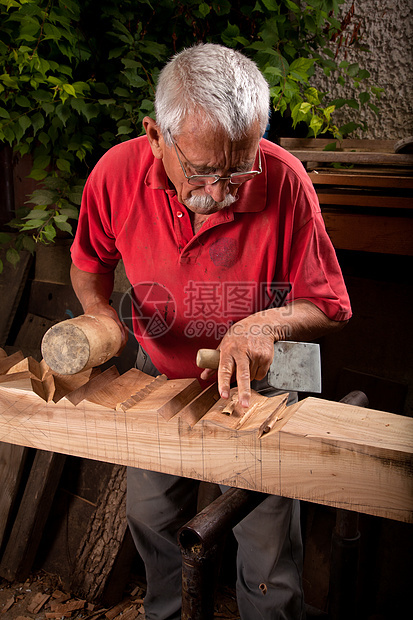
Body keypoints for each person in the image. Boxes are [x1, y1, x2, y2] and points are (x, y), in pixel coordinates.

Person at [70, 43, 351, 620]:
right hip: (160, 370)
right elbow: (88, 261)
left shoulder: (285, 179)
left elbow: (329, 304)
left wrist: (265, 323)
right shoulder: (115, 175)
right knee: (151, 517)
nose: (221, 190)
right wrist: (99, 312)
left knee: (268, 548)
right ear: (155, 136)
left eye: (237, 169)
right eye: (200, 171)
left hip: (264, 374)